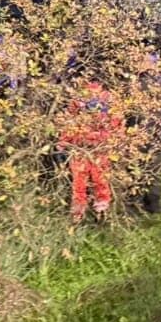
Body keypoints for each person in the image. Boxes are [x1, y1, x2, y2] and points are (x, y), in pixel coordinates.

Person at [57, 82, 123, 222]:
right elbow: (69, 122)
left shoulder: (108, 100)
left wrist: (116, 140)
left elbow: (117, 123)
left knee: (98, 178)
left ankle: (98, 207)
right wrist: (63, 140)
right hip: (83, 146)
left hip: (98, 146)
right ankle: (82, 208)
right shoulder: (79, 100)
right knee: (81, 179)